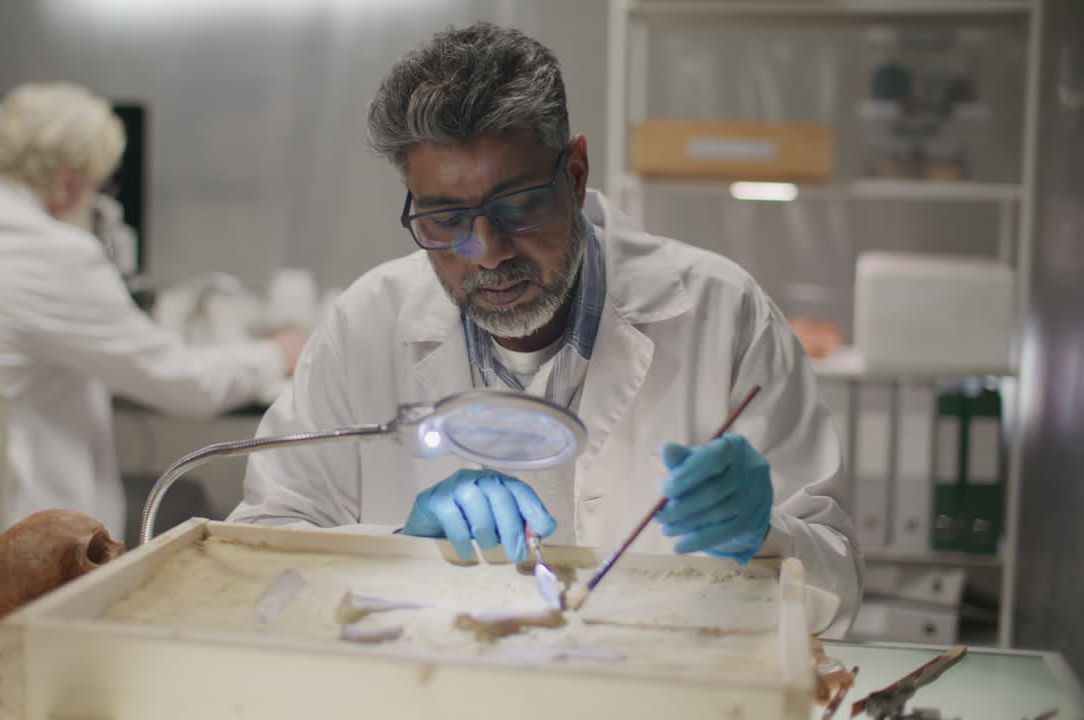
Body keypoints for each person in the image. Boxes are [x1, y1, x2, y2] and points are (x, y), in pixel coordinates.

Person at [230, 23, 862, 632]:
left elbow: (839, 592)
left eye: (518, 206)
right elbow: (259, 557)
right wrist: (401, 546)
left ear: (576, 174)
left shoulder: (723, 315)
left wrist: (765, 535)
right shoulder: (365, 325)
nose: (488, 250)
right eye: (446, 217)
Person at [0, 82, 307, 541]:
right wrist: (275, 353)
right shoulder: (54, 253)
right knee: (187, 503)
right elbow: (185, 385)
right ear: (67, 182)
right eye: (98, 189)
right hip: (1, 552)